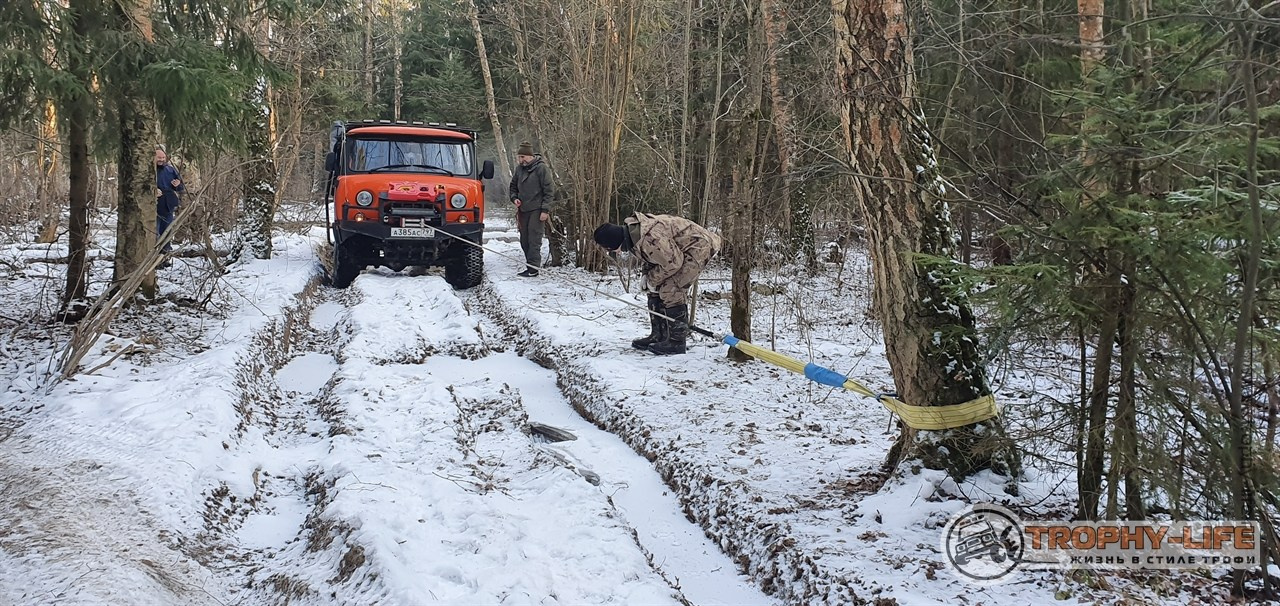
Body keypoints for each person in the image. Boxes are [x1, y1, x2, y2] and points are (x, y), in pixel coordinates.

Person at [593, 212, 722, 355]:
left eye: (610, 249)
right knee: (655, 288)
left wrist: (652, 279)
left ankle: (676, 342)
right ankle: (659, 336)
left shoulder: (649, 237)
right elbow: (652, 257)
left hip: (699, 247)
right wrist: (645, 275)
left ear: (614, 243)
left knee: (671, 288)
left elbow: (673, 263)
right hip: (678, 252)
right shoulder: (632, 234)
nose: (614, 253)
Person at [508, 141, 553, 277]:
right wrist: (514, 198)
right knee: (524, 240)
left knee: (534, 239)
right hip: (523, 209)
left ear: (530, 156)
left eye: (523, 157)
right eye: (519, 157)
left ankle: (533, 269)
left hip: (537, 209)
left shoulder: (541, 169)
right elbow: (513, 186)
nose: (521, 160)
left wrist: (545, 210)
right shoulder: (519, 169)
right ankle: (530, 265)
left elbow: (549, 190)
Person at [155, 145, 184, 252]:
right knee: (154, 233)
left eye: (163, 157)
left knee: (167, 232)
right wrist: (152, 191)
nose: (161, 160)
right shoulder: (148, 171)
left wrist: (177, 184)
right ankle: (153, 258)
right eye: (159, 157)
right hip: (153, 208)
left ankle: (165, 255)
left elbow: (180, 187)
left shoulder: (170, 170)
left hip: (168, 206)